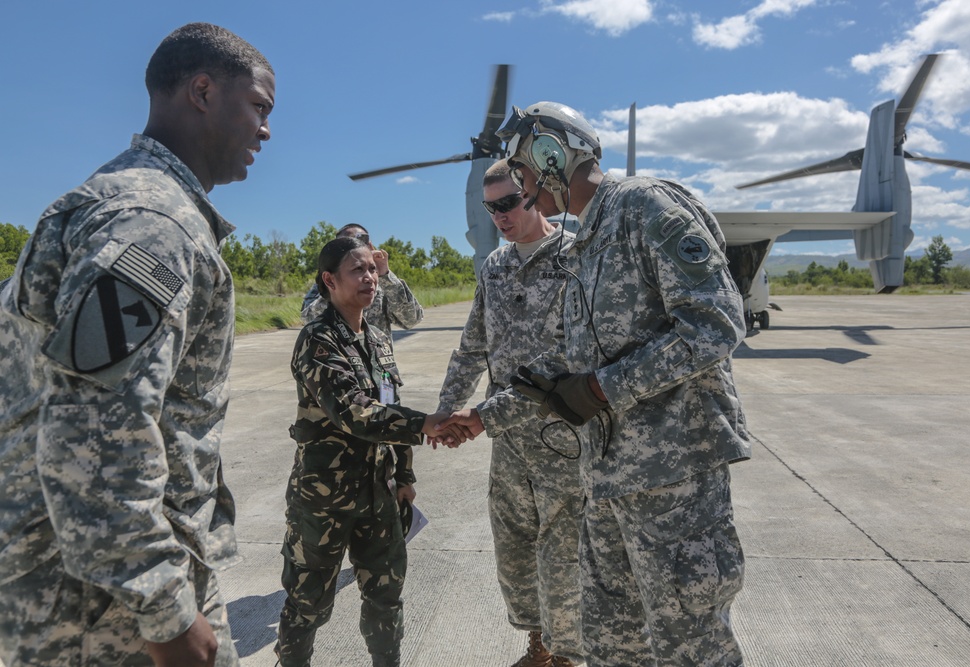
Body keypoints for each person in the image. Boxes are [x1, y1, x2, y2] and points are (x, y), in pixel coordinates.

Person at [0, 23, 274, 667]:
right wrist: (166, 608)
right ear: (202, 91)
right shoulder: (155, 226)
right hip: (104, 608)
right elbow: (95, 433)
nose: (266, 130)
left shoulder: (115, 200)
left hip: (76, 581)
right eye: (259, 107)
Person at [440, 101, 753, 667]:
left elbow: (717, 324)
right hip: (603, 478)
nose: (524, 189)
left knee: (689, 645)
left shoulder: (646, 206)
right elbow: (565, 364)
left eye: (524, 174)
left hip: (671, 478)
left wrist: (605, 389)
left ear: (552, 155)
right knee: (612, 643)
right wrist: (488, 413)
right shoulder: (584, 243)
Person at [276, 237, 467, 667]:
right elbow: (355, 414)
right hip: (324, 499)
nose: (370, 278)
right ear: (330, 280)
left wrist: (405, 476)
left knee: (386, 598)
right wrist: (426, 424)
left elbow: (389, 404)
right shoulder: (318, 340)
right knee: (308, 605)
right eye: (357, 271)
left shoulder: (379, 339)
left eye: (373, 270)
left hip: (379, 494)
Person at [435, 160, 584, 667]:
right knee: (515, 550)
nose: (497, 215)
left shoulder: (574, 258)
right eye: (489, 206)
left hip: (562, 440)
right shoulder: (495, 267)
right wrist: (443, 415)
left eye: (506, 203)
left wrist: (481, 417)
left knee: (563, 554)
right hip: (508, 446)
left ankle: (567, 655)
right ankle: (538, 647)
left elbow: (568, 359)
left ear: (533, 196)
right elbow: (471, 348)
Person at [301, 223, 424, 339]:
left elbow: (412, 319)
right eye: (345, 243)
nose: (352, 247)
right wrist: (335, 290)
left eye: (360, 242)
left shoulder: (381, 287)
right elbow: (308, 319)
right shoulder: (326, 282)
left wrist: (385, 275)